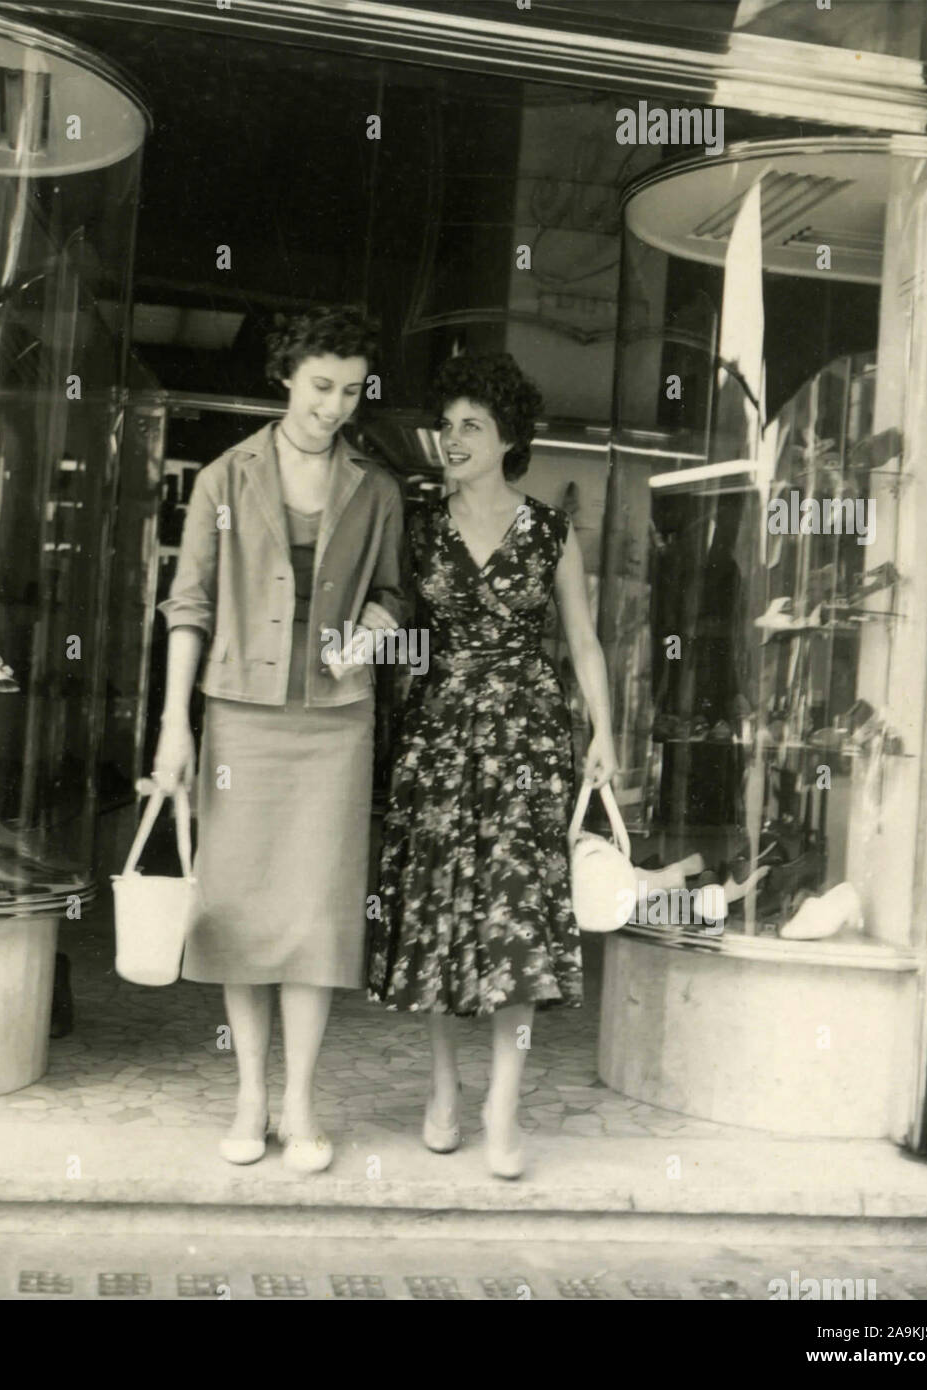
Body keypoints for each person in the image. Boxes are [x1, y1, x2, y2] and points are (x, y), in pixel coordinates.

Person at [152, 306, 404, 1173]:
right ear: (287, 377)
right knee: (244, 911)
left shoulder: (377, 486)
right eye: (321, 386)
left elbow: (398, 594)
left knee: (315, 915)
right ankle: (249, 1094)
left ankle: (300, 1101)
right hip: (241, 715)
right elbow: (188, 604)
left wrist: (371, 628)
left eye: (351, 390)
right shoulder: (225, 477)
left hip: (336, 720)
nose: (335, 406)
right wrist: (172, 728)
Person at [368, 352, 618, 1179]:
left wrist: (604, 732)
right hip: (438, 734)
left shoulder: (550, 530)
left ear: (509, 437)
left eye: (471, 425)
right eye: (446, 425)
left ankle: (500, 1107)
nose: (453, 437)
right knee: (440, 914)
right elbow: (392, 619)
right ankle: (442, 1089)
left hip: (527, 740)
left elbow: (582, 637)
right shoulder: (421, 524)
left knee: (516, 919)